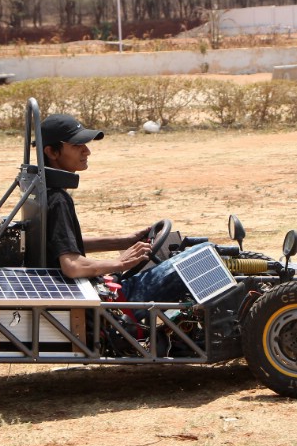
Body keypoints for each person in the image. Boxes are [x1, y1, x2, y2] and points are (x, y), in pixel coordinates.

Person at [39, 113, 199, 303]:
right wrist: (119, 263)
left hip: (85, 288)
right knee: (201, 256)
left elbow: (62, 243)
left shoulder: (42, 191)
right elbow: (72, 265)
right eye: (77, 146)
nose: (87, 151)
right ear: (52, 152)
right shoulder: (58, 199)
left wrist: (123, 242)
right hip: (101, 299)